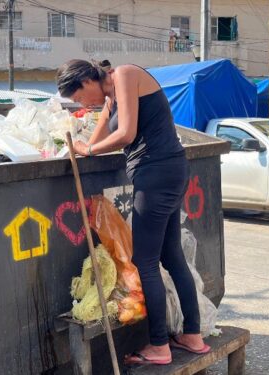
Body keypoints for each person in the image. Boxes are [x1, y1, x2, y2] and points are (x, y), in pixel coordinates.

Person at [56, 60, 210, 366]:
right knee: (172, 256)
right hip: (166, 171)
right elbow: (100, 134)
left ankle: (159, 346)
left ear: (87, 81)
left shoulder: (125, 74)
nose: (81, 104)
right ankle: (192, 335)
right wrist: (78, 144)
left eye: (77, 98)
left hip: (156, 173)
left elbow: (125, 134)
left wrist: (88, 151)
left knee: (145, 261)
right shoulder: (112, 95)